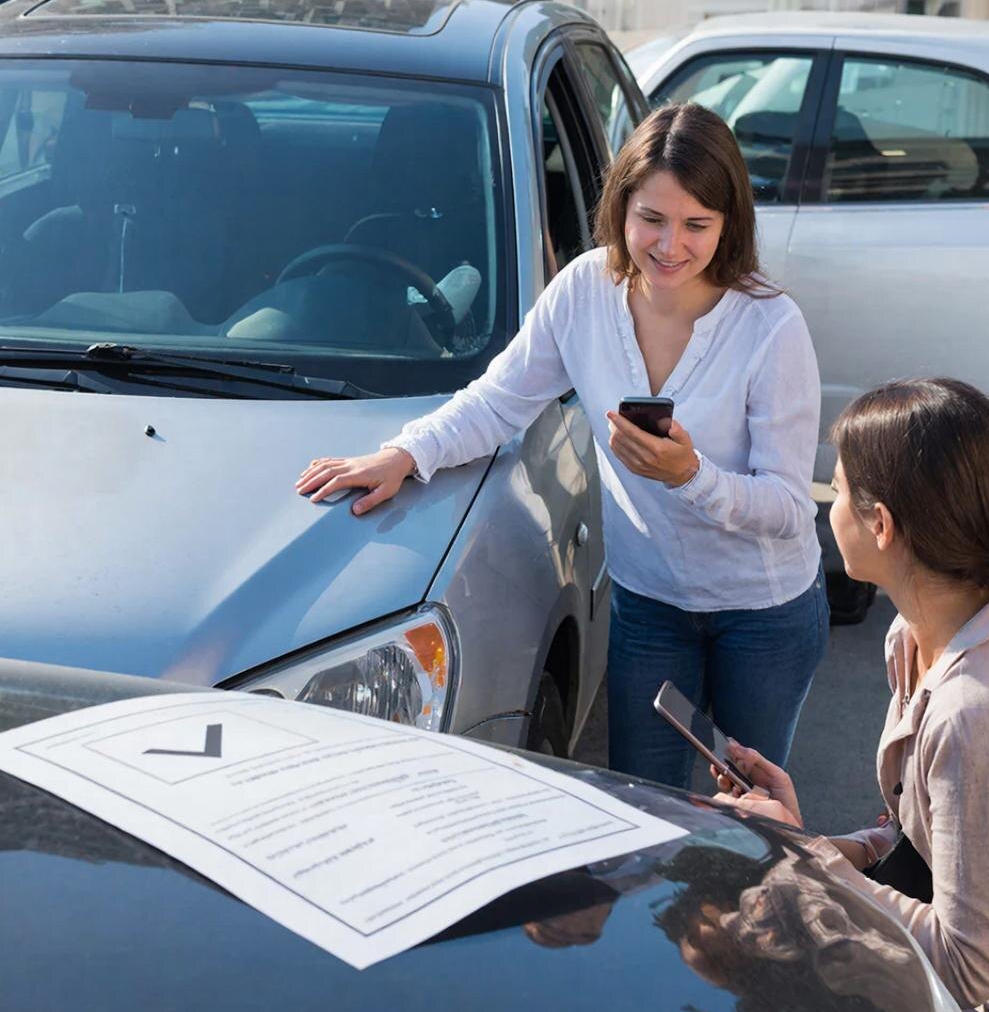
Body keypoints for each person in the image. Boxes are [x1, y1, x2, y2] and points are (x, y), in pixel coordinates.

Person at [295, 103, 827, 788]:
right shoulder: (583, 292)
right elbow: (500, 398)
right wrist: (407, 453)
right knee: (644, 801)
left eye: (697, 225)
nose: (671, 245)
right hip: (650, 600)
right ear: (621, 208)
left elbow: (790, 506)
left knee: (754, 805)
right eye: (652, 220)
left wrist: (690, 476)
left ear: (728, 225)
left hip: (764, 610)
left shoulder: (771, 326)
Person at [713, 378, 989, 1012]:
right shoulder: (917, 635)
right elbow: (928, 840)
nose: (827, 503)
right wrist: (814, 842)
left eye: (839, 488)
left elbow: (968, 967)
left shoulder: (975, 711)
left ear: (880, 525)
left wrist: (813, 863)